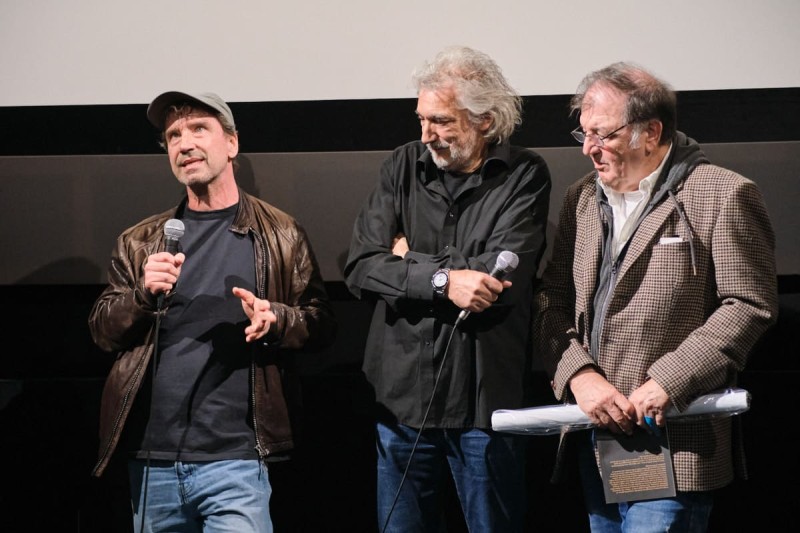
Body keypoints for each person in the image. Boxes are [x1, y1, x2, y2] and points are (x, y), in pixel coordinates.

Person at [533, 61, 779, 532]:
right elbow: (551, 299)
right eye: (584, 133)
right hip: (597, 436)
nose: (588, 148)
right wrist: (579, 375)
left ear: (650, 132)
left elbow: (749, 305)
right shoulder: (581, 199)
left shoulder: (722, 194)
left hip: (674, 436)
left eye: (602, 134)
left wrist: (669, 379)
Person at [88, 90, 336, 532]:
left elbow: (320, 323)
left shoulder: (280, 234)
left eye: (199, 129)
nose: (184, 144)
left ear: (232, 143)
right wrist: (142, 295)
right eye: (173, 136)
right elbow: (103, 331)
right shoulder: (141, 240)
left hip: (236, 459)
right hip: (153, 460)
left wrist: (277, 319)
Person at [344, 45, 551, 532]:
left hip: (482, 407)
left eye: (440, 121)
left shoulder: (525, 174)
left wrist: (406, 261)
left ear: (484, 120)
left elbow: (496, 281)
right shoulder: (402, 165)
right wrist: (443, 280)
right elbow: (360, 266)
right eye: (421, 119)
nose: (426, 135)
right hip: (401, 405)